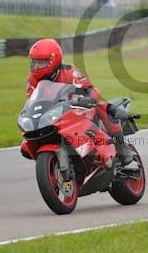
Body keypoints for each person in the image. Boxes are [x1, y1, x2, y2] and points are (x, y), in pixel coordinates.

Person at [26, 38, 135, 167]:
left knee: (102, 107)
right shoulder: (32, 80)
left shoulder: (70, 72)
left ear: (53, 61)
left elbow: (90, 90)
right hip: (56, 111)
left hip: (79, 106)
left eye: (41, 62)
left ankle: (123, 152)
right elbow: (33, 100)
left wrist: (84, 99)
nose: (36, 67)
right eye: (34, 62)